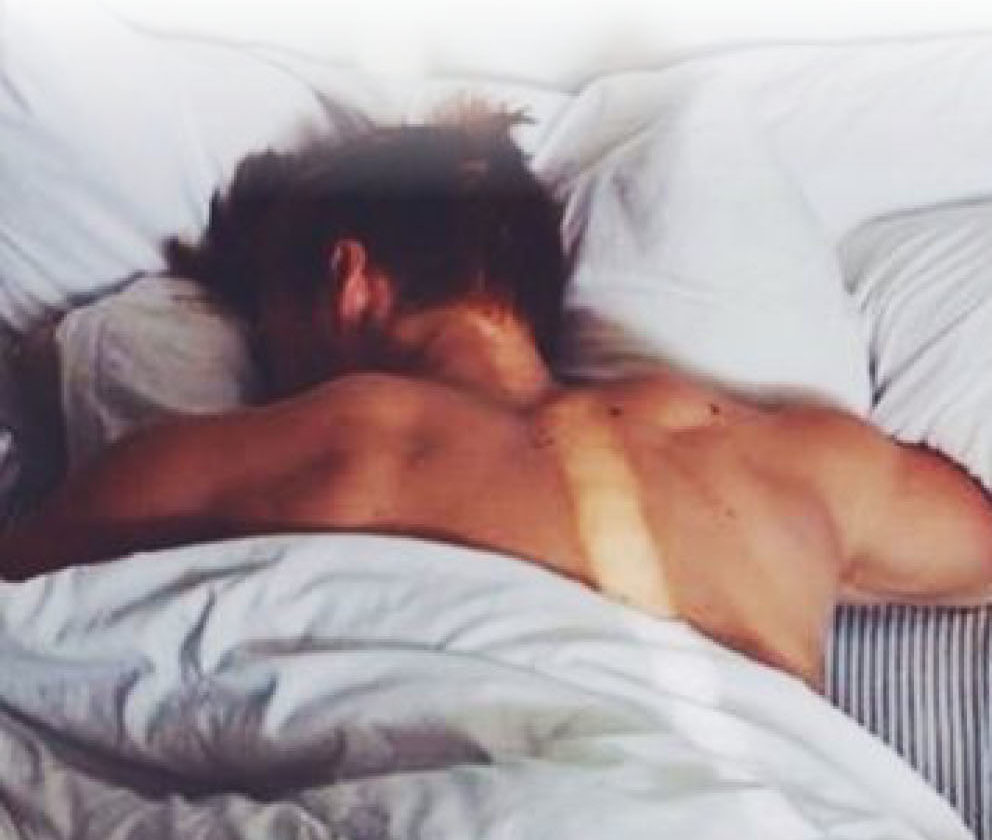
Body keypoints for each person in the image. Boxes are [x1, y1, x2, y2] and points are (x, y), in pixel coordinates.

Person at [2, 109, 991, 689]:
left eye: (269, 336)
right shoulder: (799, 463)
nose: (272, 371)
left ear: (348, 279)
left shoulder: (300, 442)